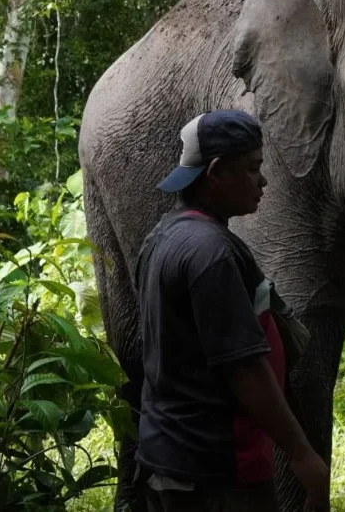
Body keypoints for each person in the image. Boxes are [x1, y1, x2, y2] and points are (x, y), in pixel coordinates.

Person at [134, 109, 329, 512]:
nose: (263, 181)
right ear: (218, 172)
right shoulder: (211, 253)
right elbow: (243, 367)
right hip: (216, 472)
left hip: (170, 459)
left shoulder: (162, 237)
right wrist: (301, 454)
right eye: (253, 168)